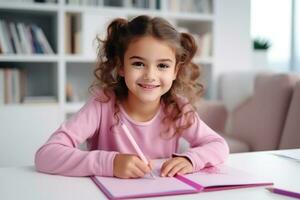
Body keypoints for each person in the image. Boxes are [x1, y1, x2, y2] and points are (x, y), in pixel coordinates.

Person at [35, 15, 229, 179]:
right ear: (121, 66)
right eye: (138, 64)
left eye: (162, 66)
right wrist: (110, 163)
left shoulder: (178, 108)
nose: (150, 76)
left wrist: (191, 159)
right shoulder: (102, 104)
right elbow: (46, 155)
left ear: (175, 71)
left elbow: (218, 145)